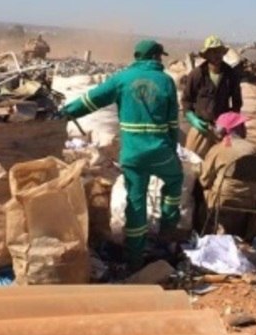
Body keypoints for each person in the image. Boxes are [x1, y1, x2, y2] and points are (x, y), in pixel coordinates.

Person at [60, 39, 182, 270]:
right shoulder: (166, 81)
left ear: (137, 57)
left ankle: (134, 258)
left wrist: (66, 112)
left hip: (133, 154)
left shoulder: (122, 79)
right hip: (160, 151)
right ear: (156, 57)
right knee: (175, 181)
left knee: (135, 203)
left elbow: (91, 99)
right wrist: (172, 151)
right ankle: (166, 236)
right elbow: (173, 122)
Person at [198, 112, 256, 239]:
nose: (245, 128)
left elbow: (204, 180)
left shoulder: (218, 149)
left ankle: (202, 233)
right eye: (242, 125)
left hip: (223, 199)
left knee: (197, 192)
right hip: (250, 201)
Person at [181, 35, 243, 160]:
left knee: (222, 162)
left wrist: (229, 122)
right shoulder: (197, 74)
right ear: (206, 55)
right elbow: (186, 100)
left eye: (219, 51)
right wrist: (193, 119)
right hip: (201, 128)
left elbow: (237, 101)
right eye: (213, 52)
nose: (217, 55)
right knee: (193, 163)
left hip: (222, 130)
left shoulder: (230, 74)